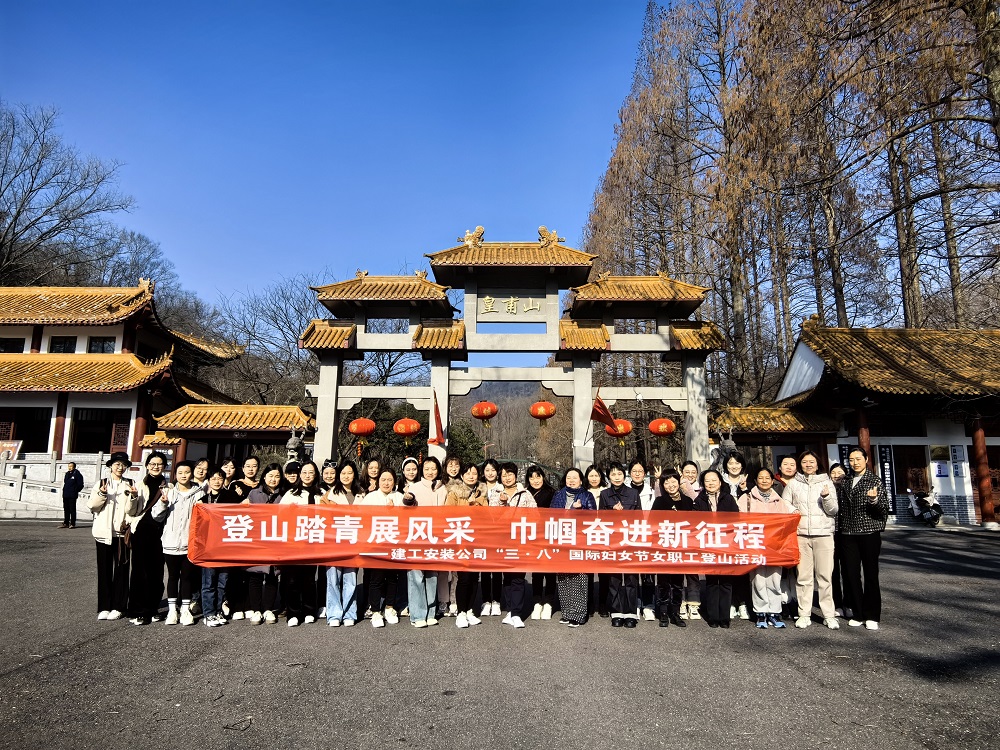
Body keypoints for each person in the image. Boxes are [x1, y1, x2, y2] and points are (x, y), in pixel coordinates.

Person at [782, 450, 839, 629]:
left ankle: (829, 615)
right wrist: (793, 511)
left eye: (811, 461)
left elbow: (833, 510)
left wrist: (826, 497)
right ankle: (804, 614)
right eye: (805, 462)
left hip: (824, 535)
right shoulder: (793, 483)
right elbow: (784, 503)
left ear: (817, 464)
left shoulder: (826, 482)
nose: (808, 465)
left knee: (825, 577)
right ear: (800, 464)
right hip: (801, 535)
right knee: (803, 577)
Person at [837, 447, 889, 630]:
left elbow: (884, 508)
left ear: (866, 459)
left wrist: (874, 500)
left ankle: (872, 615)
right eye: (851, 459)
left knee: (871, 575)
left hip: (869, 533)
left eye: (858, 459)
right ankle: (858, 613)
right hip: (848, 534)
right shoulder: (845, 480)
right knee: (851, 574)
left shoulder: (874, 480)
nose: (855, 463)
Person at [738, 467, 796, 629]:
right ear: (755, 481)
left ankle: (775, 612)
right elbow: (739, 519)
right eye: (760, 478)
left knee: (774, 579)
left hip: (775, 546)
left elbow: (786, 523)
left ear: (772, 481)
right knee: (758, 579)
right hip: (755, 544)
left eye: (767, 478)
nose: (764, 480)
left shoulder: (779, 501)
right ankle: (760, 612)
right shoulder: (746, 498)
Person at [152, 460, 206, 625]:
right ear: (175, 474)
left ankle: (185, 610)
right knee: (173, 576)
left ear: (191, 474)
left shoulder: (199, 493)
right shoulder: (169, 492)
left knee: (187, 577)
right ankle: (172, 610)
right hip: (170, 542)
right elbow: (156, 516)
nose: (184, 475)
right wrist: (163, 503)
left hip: (190, 544)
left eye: (187, 472)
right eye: (180, 472)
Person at [88, 452, 141, 621]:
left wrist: (133, 497)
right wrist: (101, 494)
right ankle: (104, 606)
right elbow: (93, 507)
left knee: (121, 571)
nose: (120, 467)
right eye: (117, 464)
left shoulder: (131, 484)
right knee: (104, 571)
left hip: (121, 534)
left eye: (124, 465)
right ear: (110, 465)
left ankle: (119, 607)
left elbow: (132, 511)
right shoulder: (101, 483)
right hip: (103, 533)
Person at [691, 469, 740, 628]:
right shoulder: (699, 501)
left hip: (726, 544)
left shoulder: (728, 499)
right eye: (707, 481)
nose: (711, 483)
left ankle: (724, 617)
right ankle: (713, 617)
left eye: (714, 480)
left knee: (725, 581)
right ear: (703, 484)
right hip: (708, 544)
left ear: (720, 482)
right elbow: (695, 522)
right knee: (712, 581)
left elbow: (736, 519)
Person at [402, 456, 447, 627]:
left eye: (433, 468)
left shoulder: (443, 488)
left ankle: (430, 612)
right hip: (417, 536)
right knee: (416, 575)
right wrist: (408, 499)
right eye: (427, 468)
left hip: (436, 537)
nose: (430, 472)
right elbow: (407, 503)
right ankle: (417, 615)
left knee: (432, 575)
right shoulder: (414, 487)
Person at [126, 451, 170, 625]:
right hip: (141, 532)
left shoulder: (168, 487)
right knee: (140, 572)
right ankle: (138, 610)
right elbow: (131, 511)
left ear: (164, 466)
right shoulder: (138, 485)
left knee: (156, 572)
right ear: (147, 466)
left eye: (159, 464)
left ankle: (152, 608)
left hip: (160, 533)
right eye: (152, 464)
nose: (156, 467)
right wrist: (133, 497)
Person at [321, 460, 366, 627]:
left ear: (355, 474)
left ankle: (349, 613)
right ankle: (334, 614)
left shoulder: (361, 494)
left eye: (350, 473)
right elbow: (322, 517)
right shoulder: (329, 495)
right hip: (334, 542)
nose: (346, 476)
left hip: (354, 542)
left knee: (351, 578)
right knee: (333, 578)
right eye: (343, 473)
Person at [357, 468, 403, 627]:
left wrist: (395, 511)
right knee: (376, 578)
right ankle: (375, 610)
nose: (386, 483)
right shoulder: (370, 497)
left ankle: (389, 607)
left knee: (392, 578)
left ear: (394, 482)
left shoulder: (399, 497)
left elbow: (408, 519)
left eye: (390, 480)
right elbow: (362, 518)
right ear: (378, 481)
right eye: (383, 479)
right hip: (375, 544)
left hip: (394, 544)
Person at [491, 462, 536, 628]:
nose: (507, 478)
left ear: (516, 475)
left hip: (520, 540)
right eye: (504, 475)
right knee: (507, 577)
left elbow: (535, 515)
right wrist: (502, 503)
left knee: (518, 576)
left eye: (510, 474)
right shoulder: (495, 493)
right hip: (502, 540)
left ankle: (517, 613)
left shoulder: (525, 494)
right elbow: (492, 517)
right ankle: (510, 610)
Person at [550, 468, 595, 628]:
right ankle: (567, 612)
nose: (571, 480)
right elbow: (551, 515)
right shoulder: (558, 495)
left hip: (580, 542)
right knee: (563, 578)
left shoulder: (587, 495)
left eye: (575, 478)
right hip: (562, 541)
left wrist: (580, 511)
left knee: (579, 578)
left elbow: (593, 517)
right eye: (568, 477)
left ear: (581, 481)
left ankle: (579, 614)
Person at [279, 461, 321, 627]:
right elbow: (279, 514)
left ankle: (309, 611)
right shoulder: (291, 493)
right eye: (304, 472)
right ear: (300, 474)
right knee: (292, 579)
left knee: (309, 579)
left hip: (314, 540)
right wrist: (289, 510)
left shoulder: (321, 493)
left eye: (311, 472)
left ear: (315, 475)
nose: (307, 475)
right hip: (294, 541)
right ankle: (293, 613)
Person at [599, 462, 641, 629]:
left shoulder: (633, 493)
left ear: (624, 475)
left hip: (630, 540)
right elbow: (600, 520)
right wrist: (612, 513)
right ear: (608, 476)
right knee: (614, 579)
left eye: (619, 474)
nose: (617, 477)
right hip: (613, 541)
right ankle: (616, 612)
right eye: (613, 474)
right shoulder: (604, 494)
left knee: (631, 578)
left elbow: (639, 518)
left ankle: (631, 613)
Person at [445, 462, 486, 628]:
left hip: (478, 539)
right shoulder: (454, 492)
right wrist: (468, 507)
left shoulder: (482, 492)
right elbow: (447, 514)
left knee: (475, 576)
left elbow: (487, 514)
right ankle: (461, 612)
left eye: (474, 473)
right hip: (461, 539)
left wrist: (478, 505)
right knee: (464, 577)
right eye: (467, 473)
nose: (471, 476)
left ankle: (469, 610)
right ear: (461, 476)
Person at [242, 463, 285, 624]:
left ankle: (268, 609)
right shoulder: (254, 493)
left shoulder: (284, 495)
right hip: (257, 540)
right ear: (264, 476)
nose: (273, 479)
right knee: (256, 575)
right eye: (270, 475)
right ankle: (256, 610)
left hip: (276, 540)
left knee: (273, 575)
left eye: (277, 476)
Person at [651, 472, 692, 627]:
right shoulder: (660, 501)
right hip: (664, 546)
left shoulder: (687, 501)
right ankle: (663, 613)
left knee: (678, 582)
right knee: (663, 581)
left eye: (673, 481)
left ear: (678, 482)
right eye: (666, 483)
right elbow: (652, 523)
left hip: (681, 547)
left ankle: (675, 612)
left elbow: (694, 523)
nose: (670, 485)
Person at [201, 467, 239, 627]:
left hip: (226, 546)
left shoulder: (232, 496)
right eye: (214, 478)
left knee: (223, 581)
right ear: (208, 481)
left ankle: (218, 611)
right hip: (209, 547)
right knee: (209, 582)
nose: (217, 481)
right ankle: (208, 613)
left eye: (220, 478)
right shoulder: (203, 500)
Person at [720, 451, 752, 622]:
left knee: (742, 567)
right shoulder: (720, 482)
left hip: (744, 530)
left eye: (737, 463)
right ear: (726, 465)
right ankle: (731, 602)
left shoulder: (750, 483)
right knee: (727, 567)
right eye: (731, 463)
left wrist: (745, 489)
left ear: (742, 465)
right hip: (725, 531)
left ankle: (743, 603)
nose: (734, 466)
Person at [526, 465, 556, 620]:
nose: (535, 480)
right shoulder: (525, 493)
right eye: (531, 477)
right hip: (532, 537)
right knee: (536, 571)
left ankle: (549, 602)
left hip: (549, 535)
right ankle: (537, 602)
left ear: (543, 477)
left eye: (538, 476)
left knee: (550, 571)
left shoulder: (552, 493)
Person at [629, 460, 657, 621]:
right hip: (630, 536)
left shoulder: (651, 491)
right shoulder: (625, 490)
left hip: (647, 535)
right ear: (630, 473)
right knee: (632, 573)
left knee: (648, 573)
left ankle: (648, 605)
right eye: (634, 471)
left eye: (640, 471)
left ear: (645, 473)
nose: (637, 473)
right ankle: (635, 604)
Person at [479, 458, 503, 616]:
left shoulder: (502, 488)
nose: (490, 473)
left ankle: (497, 601)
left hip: (499, 533)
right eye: (487, 470)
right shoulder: (478, 487)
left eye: (493, 470)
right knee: (485, 569)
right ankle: (486, 601)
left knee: (497, 569)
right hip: (482, 533)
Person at [583, 464, 607, 617]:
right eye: (591, 475)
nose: (594, 478)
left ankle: (603, 604)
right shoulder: (582, 493)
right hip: (587, 535)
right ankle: (589, 604)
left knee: (604, 572)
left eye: (596, 475)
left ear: (601, 477)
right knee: (588, 572)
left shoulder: (607, 492)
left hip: (604, 535)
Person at [60, 461, 84, 528]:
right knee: (66, 509)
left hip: (72, 495)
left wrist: (75, 490)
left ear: (74, 467)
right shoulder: (67, 474)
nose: (69, 467)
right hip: (66, 494)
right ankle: (66, 523)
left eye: (71, 466)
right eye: (69, 466)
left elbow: (80, 485)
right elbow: (65, 482)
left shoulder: (77, 474)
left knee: (72, 509)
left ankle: (72, 523)